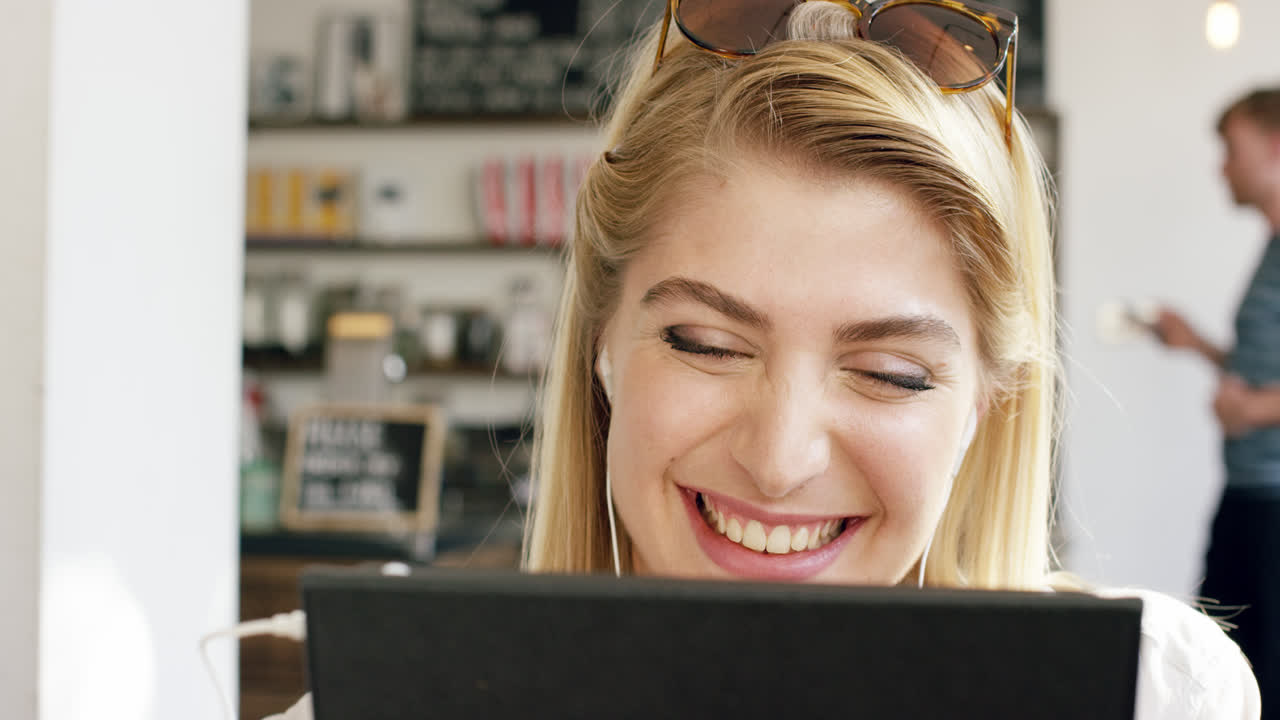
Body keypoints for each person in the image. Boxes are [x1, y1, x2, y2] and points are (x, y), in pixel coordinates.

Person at [267, 3, 1259, 718]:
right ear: (600, 346)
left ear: (987, 401)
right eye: (705, 345)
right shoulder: (382, 704)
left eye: (888, 372)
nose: (778, 459)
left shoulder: (1160, 692)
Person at [1155, 86, 1280, 712]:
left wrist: (1253, 411)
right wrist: (1199, 347)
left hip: (1273, 504)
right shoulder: (1271, 248)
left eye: (1231, 149)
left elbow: (1258, 398)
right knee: (1218, 668)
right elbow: (1261, 371)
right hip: (1249, 496)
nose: (1221, 166)